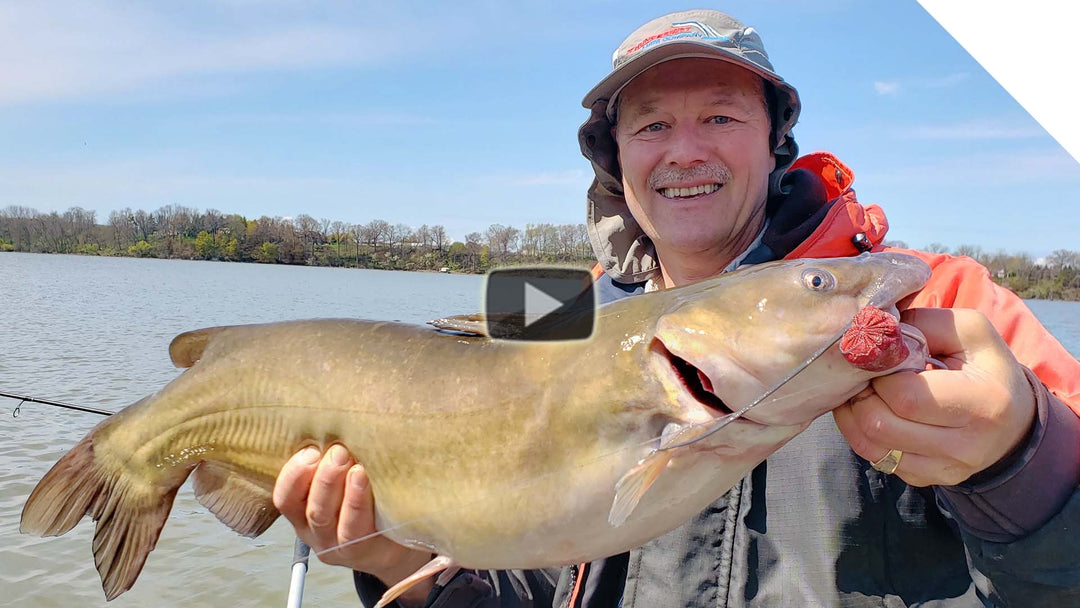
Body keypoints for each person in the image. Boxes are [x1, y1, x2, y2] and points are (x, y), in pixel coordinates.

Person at [272, 9, 1080, 607]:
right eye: (652, 124)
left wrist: (1024, 462)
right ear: (615, 160)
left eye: (721, 117)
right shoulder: (545, 309)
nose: (685, 150)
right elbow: (520, 581)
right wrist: (397, 567)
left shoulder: (935, 303)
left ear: (775, 143)